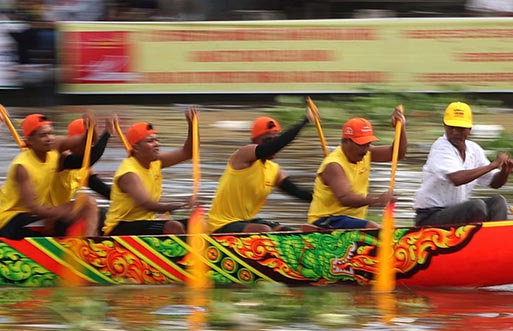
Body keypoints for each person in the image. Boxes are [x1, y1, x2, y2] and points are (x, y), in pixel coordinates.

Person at [207, 107, 316, 234]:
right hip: (220, 225)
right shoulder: (243, 155)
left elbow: (298, 192)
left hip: (245, 222)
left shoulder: (274, 170)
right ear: (254, 141)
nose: (273, 145)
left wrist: (325, 197)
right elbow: (273, 147)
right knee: (262, 230)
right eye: (268, 140)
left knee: (286, 232)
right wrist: (304, 122)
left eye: (275, 139)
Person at [413, 102, 513, 226]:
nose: (455, 132)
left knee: (498, 202)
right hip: (430, 216)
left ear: (469, 130)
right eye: (451, 127)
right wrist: (492, 165)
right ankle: (479, 241)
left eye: (460, 128)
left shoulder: (474, 150)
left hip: (455, 213)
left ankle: (494, 240)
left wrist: (505, 171)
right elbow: (457, 179)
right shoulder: (440, 148)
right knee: (476, 206)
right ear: (444, 126)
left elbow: (495, 183)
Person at [0, 113, 99, 239]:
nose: (49, 138)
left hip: (38, 214)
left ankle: (89, 245)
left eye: (50, 133)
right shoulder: (22, 167)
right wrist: (56, 213)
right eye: (43, 135)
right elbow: (33, 207)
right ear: (29, 141)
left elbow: (86, 141)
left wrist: (92, 128)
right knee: (53, 216)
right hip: (11, 220)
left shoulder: (55, 146)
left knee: (88, 203)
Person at [102, 107, 198, 236]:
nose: (156, 144)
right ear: (136, 148)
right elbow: (146, 204)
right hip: (119, 229)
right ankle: (182, 255)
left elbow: (188, 152)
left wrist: (192, 126)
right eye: (150, 141)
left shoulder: (155, 162)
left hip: (144, 223)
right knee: (173, 226)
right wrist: (179, 206)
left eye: (156, 139)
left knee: (195, 223)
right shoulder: (129, 174)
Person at [307, 108, 406, 229]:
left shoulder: (367, 153)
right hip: (324, 221)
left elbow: (396, 153)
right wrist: (377, 200)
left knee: (384, 229)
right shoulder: (334, 165)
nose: (365, 150)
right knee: (372, 227)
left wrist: (400, 128)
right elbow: (346, 198)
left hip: (349, 222)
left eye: (368, 144)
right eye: (361, 145)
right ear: (346, 141)